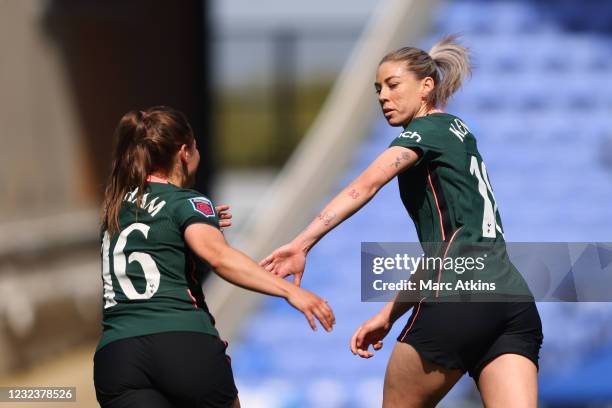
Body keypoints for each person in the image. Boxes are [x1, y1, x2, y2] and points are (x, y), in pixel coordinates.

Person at [261, 36, 543, 407]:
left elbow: (364, 186)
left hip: (459, 298)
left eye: (393, 85)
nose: (382, 96)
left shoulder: (425, 133)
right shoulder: (458, 132)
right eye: (378, 89)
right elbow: (447, 251)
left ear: (427, 87)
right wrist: (388, 314)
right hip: (512, 303)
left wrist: (302, 243)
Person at [93, 106, 335, 408]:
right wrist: (290, 290)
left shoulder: (114, 208)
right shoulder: (187, 201)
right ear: (184, 153)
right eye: (196, 147)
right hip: (181, 345)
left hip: (118, 357)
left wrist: (197, 223)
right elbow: (219, 257)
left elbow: (154, 239)